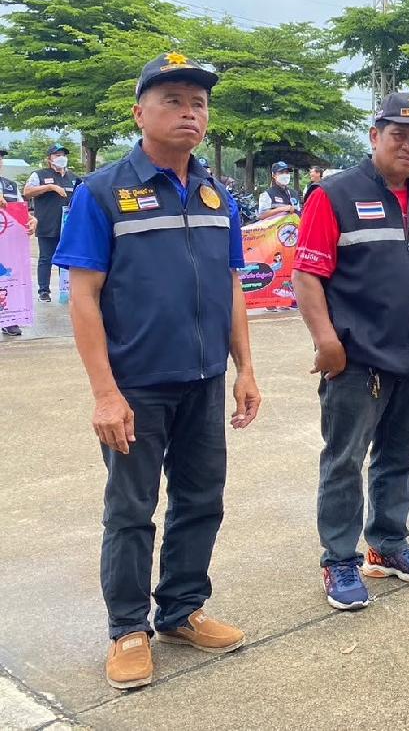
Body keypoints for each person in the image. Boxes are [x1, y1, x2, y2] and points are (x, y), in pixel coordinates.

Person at [52, 52, 261, 690]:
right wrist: (105, 394)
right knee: (131, 508)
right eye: (173, 100)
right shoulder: (101, 192)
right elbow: (83, 298)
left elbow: (231, 286)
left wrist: (245, 368)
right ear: (139, 113)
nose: (189, 112)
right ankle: (127, 629)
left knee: (201, 500)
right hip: (136, 385)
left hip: (203, 381)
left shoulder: (217, 194)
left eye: (198, 103)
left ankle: (181, 611)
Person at [293, 90, 409, 611]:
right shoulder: (334, 195)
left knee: (399, 455)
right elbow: (306, 274)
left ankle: (387, 544)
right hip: (357, 359)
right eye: (399, 136)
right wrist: (326, 341)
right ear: (374, 136)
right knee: (344, 460)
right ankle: (339, 559)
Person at [24, 143, 79, 302]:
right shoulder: (39, 175)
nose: (61, 158)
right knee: (46, 258)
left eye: (63, 155)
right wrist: (50, 187)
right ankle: (44, 291)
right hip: (47, 224)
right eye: (57, 155)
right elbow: (27, 192)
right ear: (49, 159)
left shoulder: (73, 177)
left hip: (68, 226)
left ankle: (66, 290)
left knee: (66, 259)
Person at [1, 146, 33, 336]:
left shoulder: (10, 186)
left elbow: (21, 212)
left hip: (8, 247)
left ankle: (8, 319)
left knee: (7, 279)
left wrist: (31, 220)